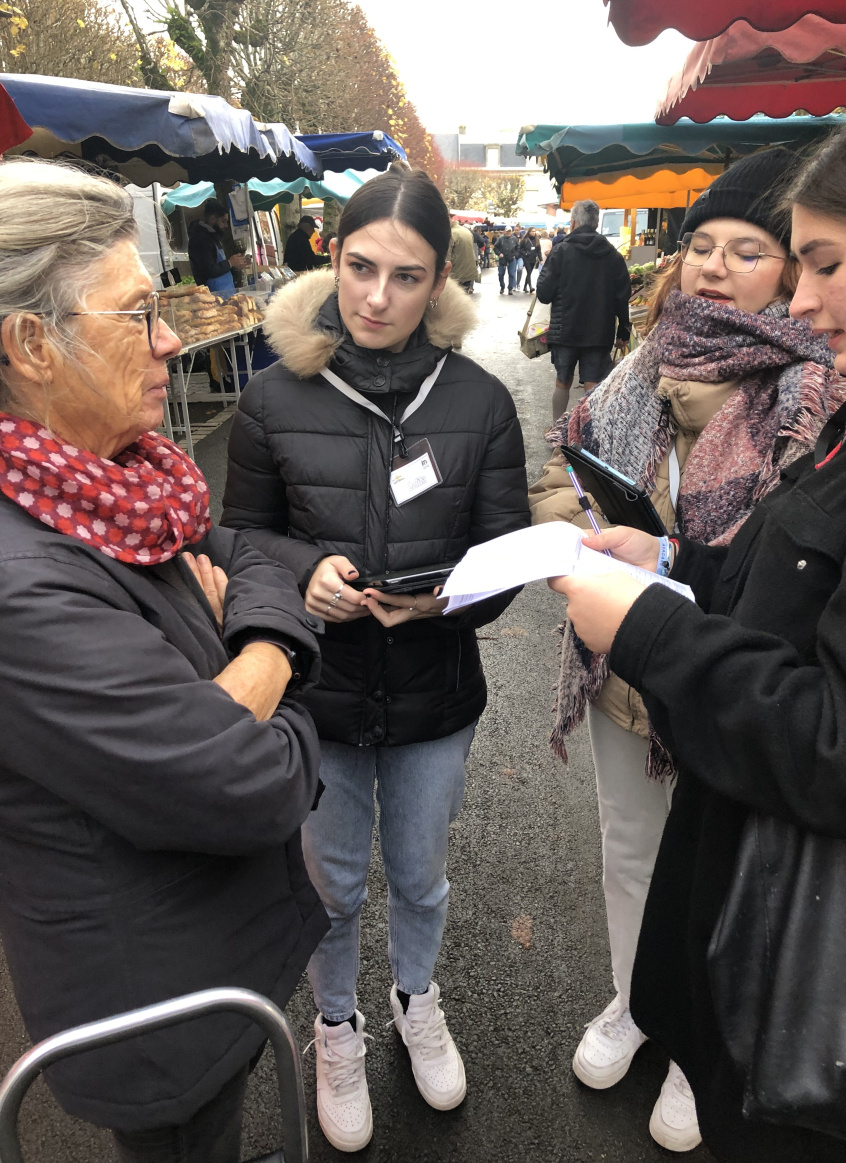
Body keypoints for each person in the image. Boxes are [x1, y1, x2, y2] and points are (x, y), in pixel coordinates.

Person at [548, 114, 846, 1163]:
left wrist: (652, 617)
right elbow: (780, 576)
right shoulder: (643, 367)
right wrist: (662, 557)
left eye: (813, 260)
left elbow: (842, 741)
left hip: (736, 738)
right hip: (642, 670)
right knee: (632, 848)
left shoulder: (818, 387)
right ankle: (647, 1007)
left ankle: (702, 1041)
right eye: (702, 245)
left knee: (716, 891)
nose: (802, 294)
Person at [0, 160, 327, 1162]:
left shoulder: (115, 485)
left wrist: (237, 670)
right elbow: (256, 785)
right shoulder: (20, 584)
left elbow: (246, 553)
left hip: (202, 951)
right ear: (30, 345)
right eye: (138, 313)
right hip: (152, 1004)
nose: (170, 338)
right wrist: (270, 647)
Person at [221, 166, 529, 1153]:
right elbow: (238, 537)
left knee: (422, 874)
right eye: (361, 267)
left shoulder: (479, 401)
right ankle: (335, 1022)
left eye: (406, 276)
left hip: (436, 691)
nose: (377, 297)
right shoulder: (273, 395)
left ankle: (414, 997)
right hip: (320, 692)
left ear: (439, 280)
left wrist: (447, 596)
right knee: (331, 882)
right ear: (331, 257)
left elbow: (508, 552)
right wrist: (302, 573)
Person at [536, 198, 632, 422]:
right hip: (599, 332)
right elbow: (622, 297)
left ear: (573, 223)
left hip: (565, 330)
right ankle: (590, 434)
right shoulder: (613, 255)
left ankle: (557, 431)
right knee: (593, 384)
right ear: (596, 224)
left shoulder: (560, 252)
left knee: (563, 381)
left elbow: (544, 293)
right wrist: (624, 331)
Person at [187, 196, 248, 298]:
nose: (226, 226)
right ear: (213, 219)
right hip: (214, 296)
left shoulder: (213, 237)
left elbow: (219, 268)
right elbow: (208, 270)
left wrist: (235, 266)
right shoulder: (200, 239)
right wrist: (230, 263)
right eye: (223, 221)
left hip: (226, 293)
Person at [448, 213, 478, 293]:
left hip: (456, 274)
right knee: (464, 296)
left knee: (455, 298)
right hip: (468, 273)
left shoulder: (451, 233)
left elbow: (447, 257)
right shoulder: (466, 231)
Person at [494, 225, 519, 294]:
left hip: (511, 259)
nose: (508, 232)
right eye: (507, 231)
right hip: (503, 259)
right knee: (501, 274)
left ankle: (510, 288)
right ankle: (502, 287)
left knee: (511, 274)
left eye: (509, 231)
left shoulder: (514, 239)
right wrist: (499, 254)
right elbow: (495, 248)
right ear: (504, 231)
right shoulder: (500, 239)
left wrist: (515, 255)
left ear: (511, 232)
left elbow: (518, 248)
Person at [519, 227, 542, 293]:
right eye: (532, 231)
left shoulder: (536, 240)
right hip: (526, 258)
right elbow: (520, 248)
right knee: (529, 272)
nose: (533, 232)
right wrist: (525, 253)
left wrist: (540, 258)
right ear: (529, 232)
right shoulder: (525, 240)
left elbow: (538, 250)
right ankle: (530, 286)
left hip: (533, 258)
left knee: (529, 273)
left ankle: (525, 286)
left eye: (534, 231)